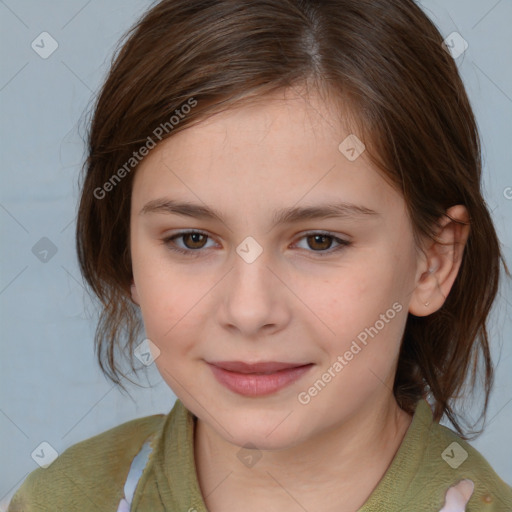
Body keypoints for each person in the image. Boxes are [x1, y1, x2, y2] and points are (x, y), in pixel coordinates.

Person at [8, 0, 512, 510]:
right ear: (127, 253)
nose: (248, 311)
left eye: (320, 241)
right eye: (192, 239)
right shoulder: (58, 499)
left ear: (433, 261)